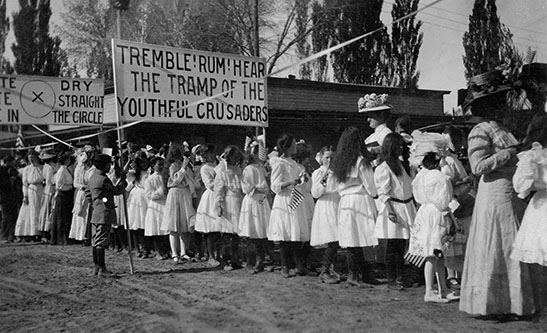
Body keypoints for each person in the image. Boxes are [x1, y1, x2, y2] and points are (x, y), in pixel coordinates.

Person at [459, 69, 534, 318]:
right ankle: (492, 304)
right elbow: (478, 166)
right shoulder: (480, 130)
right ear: (489, 103)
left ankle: (512, 304)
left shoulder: (502, 128)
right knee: (496, 245)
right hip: (493, 195)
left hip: (510, 194)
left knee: (510, 244)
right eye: (499, 100)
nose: (504, 105)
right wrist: (508, 154)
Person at [407, 152, 459, 303]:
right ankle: (429, 291)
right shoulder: (441, 177)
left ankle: (443, 289)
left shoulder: (420, 176)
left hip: (424, 212)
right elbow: (444, 199)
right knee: (433, 252)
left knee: (436, 253)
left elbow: (416, 194)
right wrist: (448, 216)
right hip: (437, 213)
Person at [331, 127, 379, 287]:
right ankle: (356, 275)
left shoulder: (339, 162)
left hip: (345, 201)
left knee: (352, 239)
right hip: (359, 200)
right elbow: (371, 186)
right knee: (359, 239)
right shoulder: (361, 161)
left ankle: (359, 274)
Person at [510, 112, 547, 321]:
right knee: (541, 262)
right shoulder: (534, 154)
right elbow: (521, 184)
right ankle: (542, 311)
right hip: (543, 208)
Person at [374, 133, 416, 290]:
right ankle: (392, 277)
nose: (400, 149)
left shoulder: (404, 166)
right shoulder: (384, 168)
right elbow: (383, 192)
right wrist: (391, 211)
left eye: (401, 146)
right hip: (394, 207)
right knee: (392, 244)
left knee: (402, 244)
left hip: (406, 206)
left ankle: (400, 275)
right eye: (397, 146)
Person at [268, 134, 313, 278]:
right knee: (285, 233)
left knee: (295, 233)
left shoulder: (294, 164)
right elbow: (274, 186)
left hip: (295, 199)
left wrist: (304, 180)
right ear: (286, 147)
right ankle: (284, 266)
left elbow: (304, 186)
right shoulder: (279, 164)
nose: (295, 147)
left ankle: (299, 266)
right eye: (293, 145)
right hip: (284, 200)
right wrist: (289, 183)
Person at [88, 153, 125, 277]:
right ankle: (102, 269)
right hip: (104, 212)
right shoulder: (103, 179)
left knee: (95, 240)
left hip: (95, 211)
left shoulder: (92, 177)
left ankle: (97, 267)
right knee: (101, 241)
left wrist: (94, 202)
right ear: (104, 165)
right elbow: (116, 191)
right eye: (109, 165)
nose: (110, 167)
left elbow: (87, 193)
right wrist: (122, 181)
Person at [239, 141, 271, 274]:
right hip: (252, 201)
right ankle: (251, 261)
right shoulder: (248, 169)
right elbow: (246, 188)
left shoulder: (262, 168)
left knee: (261, 231)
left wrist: (267, 182)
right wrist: (259, 188)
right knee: (252, 231)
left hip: (262, 201)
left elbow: (267, 187)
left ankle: (261, 259)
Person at [310, 145, 341, 284]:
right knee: (332, 239)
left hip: (337, 204)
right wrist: (325, 177)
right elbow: (315, 193)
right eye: (327, 157)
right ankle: (325, 270)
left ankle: (331, 268)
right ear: (321, 158)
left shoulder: (338, 172)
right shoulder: (319, 172)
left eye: (332, 157)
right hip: (326, 205)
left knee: (337, 239)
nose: (329, 160)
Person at [161, 142, 196, 264]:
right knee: (174, 225)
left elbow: (190, 179)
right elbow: (174, 181)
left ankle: (183, 252)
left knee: (184, 225)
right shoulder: (171, 166)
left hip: (185, 193)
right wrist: (183, 169)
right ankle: (174, 253)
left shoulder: (184, 164)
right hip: (175, 193)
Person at [214, 145, 244, 271]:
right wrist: (219, 204)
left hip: (238, 201)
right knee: (227, 232)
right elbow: (218, 189)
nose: (236, 158)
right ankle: (225, 260)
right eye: (234, 156)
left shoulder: (238, 170)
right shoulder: (222, 171)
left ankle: (235, 258)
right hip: (228, 201)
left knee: (236, 233)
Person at [194, 144, 221, 267]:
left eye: (213, 152)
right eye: (209, 153)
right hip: (211, 197)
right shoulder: (205, 168)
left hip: (221, 196)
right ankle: (211, 256)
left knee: (220, 227)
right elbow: (210, 184)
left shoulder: (218, 165)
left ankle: (219, 253)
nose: (212, 155)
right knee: (211, 227)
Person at [14, 150, 44, 241]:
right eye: (30, 158)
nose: (31, 160)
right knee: (31, 211)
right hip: (31, 190)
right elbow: (25, 184)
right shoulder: (27, 169)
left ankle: (40, 232)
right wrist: (25, 196)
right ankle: (31, 232)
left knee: (40, 210)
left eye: (33, 157)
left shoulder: (42, 168)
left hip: (41, 189)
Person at [144, 156, 169, 260]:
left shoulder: (166, 176)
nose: (161, 166)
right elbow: (149, 195)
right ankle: (158, 251)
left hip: (166, 203)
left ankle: (166, 250)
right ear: (153, 166)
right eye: (159, 164)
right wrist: (161, 190)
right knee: (156, 229)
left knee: (166, 229)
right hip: (156, 205)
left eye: (163, 164)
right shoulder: (150, 179)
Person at [126, 152, 150, 258]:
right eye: (142, 163)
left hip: (146, 197)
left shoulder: (149, 173)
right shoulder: (134, 174)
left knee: (144, 223)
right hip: (136, 198)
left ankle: (145, 248)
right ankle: (137, 248)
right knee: (135, 223)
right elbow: (128, 184)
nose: (144, 165)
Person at [358, 93, 392, 164]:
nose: (368, 119)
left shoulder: (386, 134)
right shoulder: (372, 136)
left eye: (371, 116)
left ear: (381, 116)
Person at [49, 151, 75, 246]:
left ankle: (65, 238)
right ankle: (60, 239)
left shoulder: (66, 169)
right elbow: (59, 185)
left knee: (65, 217)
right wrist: (69, 186)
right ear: (66, 160)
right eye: (68, 159)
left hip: (66, 195)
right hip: (62, 194)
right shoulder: (61, 171)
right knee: (61, 217)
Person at [38, 148, 58, 243]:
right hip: (49, 189)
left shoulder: (52, 166)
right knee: (47, 210)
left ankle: (48, 233)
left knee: (50, 210)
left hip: (50, 188)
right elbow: (49, 180)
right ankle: (45, 234)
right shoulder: (48, 167)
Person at [0, 155, 22, 243]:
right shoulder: (1, 170)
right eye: (12, 161)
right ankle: (5, 236)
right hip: (4, 197)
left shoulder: (13, 170)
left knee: (13, 216)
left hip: (12, 197)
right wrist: (10, 180)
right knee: (6, 217)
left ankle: (11, 236)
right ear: (8, 162)